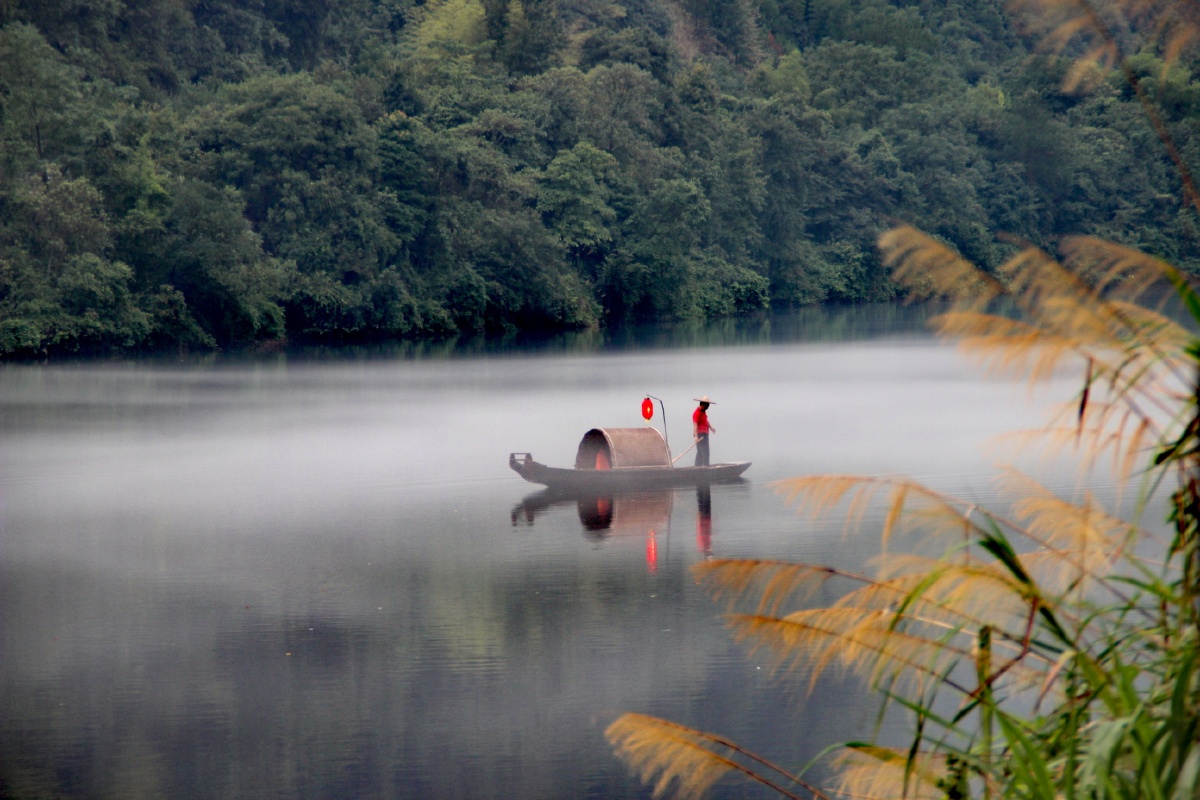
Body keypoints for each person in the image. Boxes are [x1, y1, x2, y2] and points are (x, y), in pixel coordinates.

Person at [692, 396, 716, 467]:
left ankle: (697, 467)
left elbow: (705, 421)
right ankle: (706, 466)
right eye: (707, 406)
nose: (708, 407)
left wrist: (711, 428)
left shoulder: (703, 412)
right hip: (700, 435)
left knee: (700, 452)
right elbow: (695, 425)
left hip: (704, 434)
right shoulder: (697, 413)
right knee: (705, 452)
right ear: (702, 405)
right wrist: (696, 437)